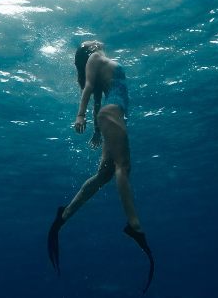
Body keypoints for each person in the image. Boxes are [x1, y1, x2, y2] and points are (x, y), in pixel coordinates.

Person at [47, 40, 154, 293]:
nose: (93, 41)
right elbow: (89, 90)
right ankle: (134, 225)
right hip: (113, 114)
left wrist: (96, 130)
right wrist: (80, 115)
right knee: (123, 168)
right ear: (88, 50)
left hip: (108, 115)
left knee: (104, 174)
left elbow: (96, 99)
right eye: (88, 44)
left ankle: (63, 216)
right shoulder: (95, 57)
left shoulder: (97, 63)